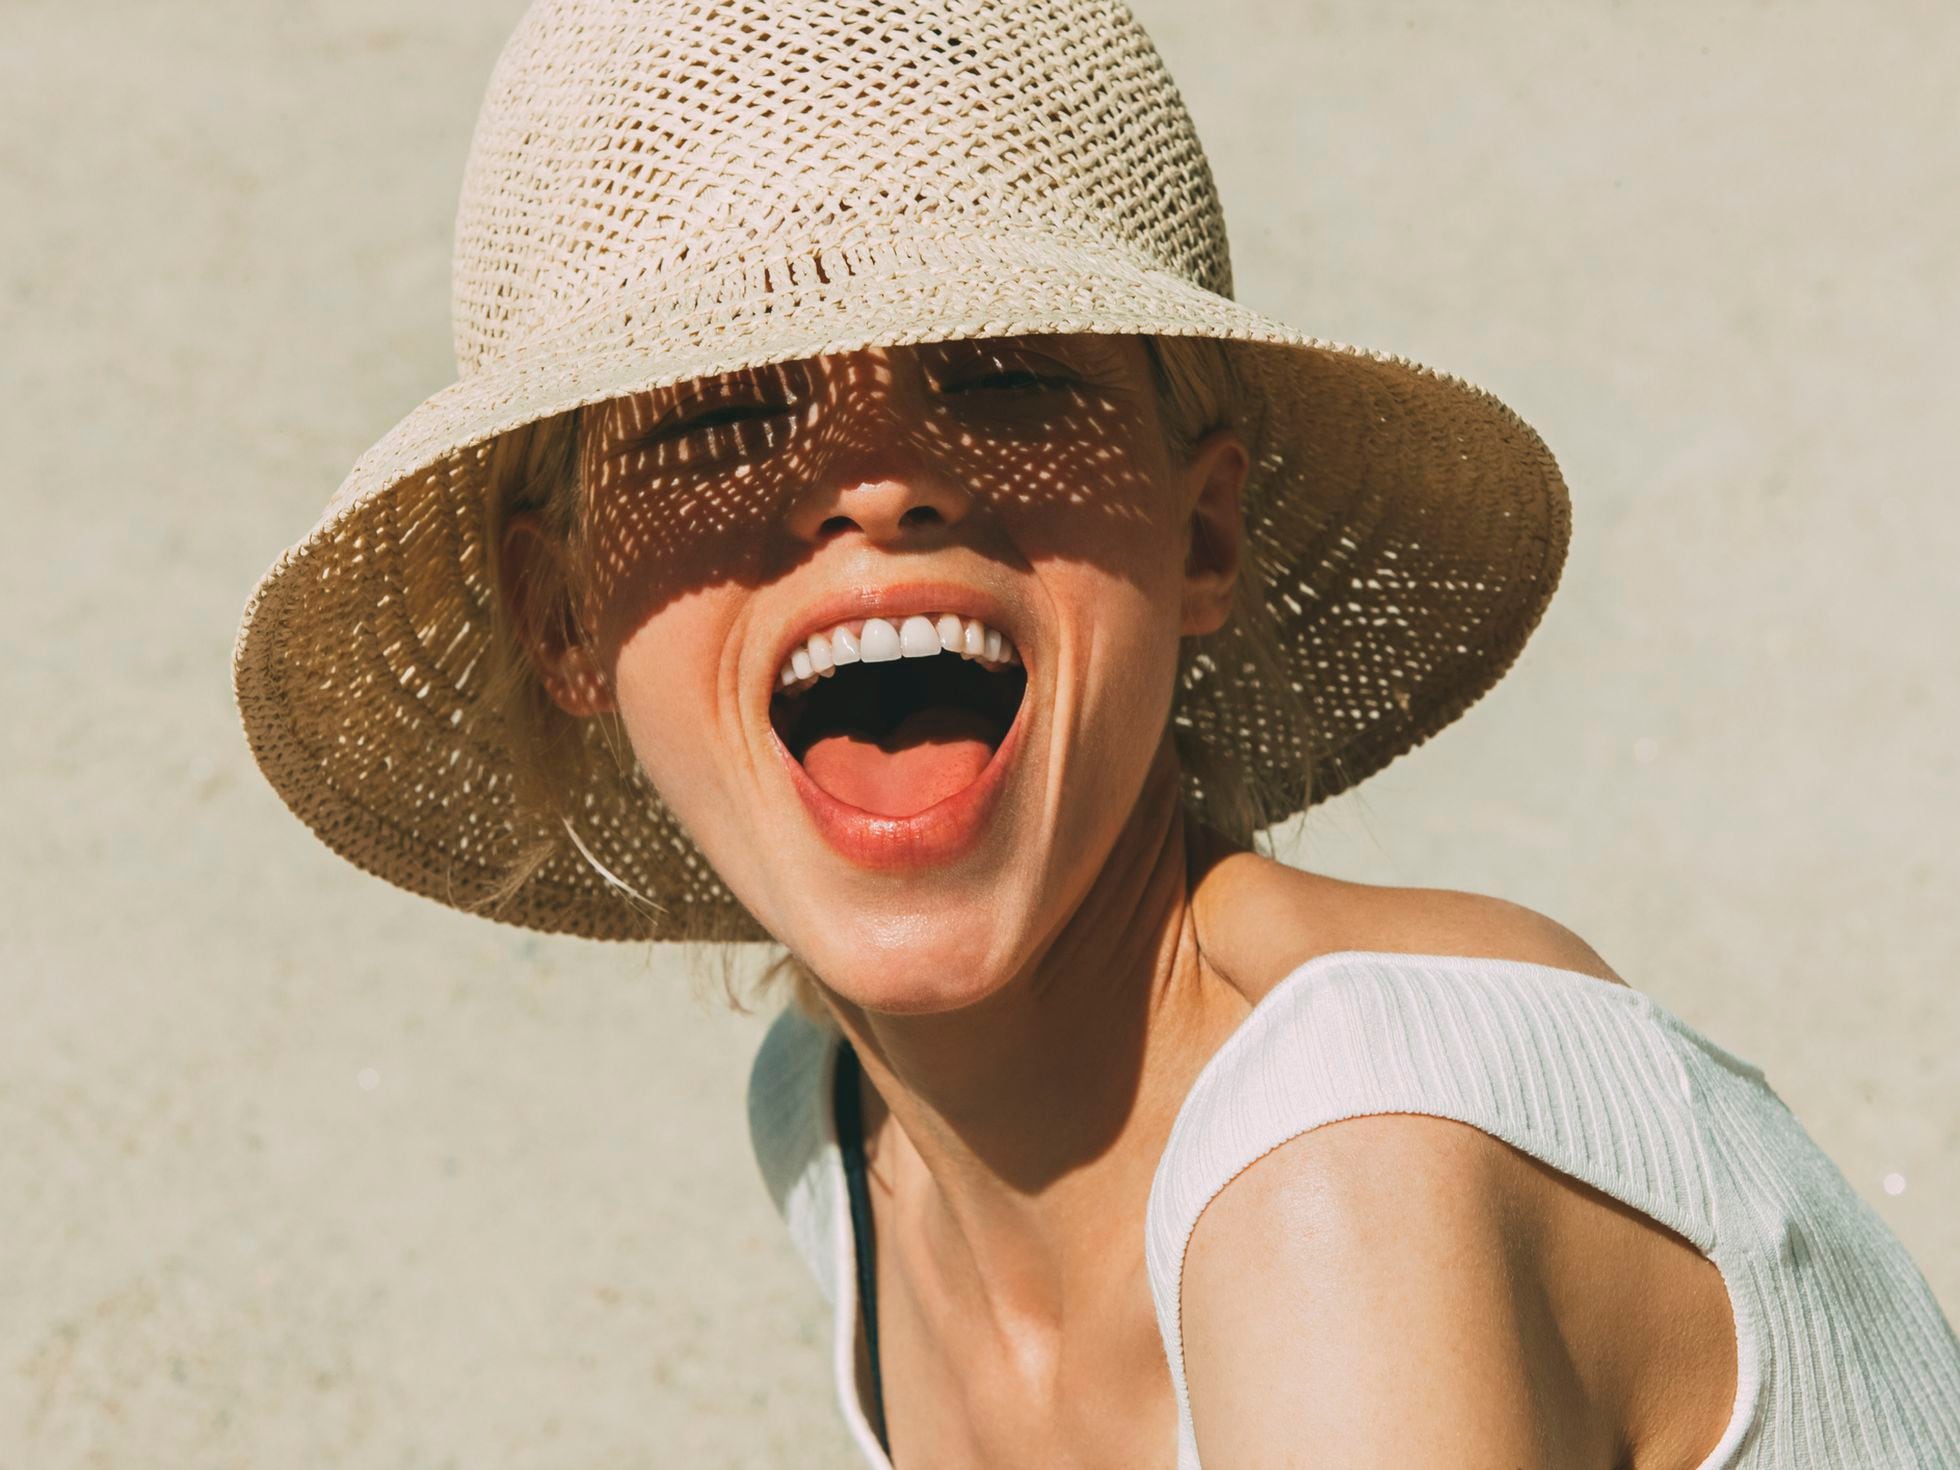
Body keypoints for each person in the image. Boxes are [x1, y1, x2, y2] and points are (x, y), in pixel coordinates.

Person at [232, 1, 1960, 1465]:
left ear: (1201, 538)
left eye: (999, 372)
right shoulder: (843, 1136)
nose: (878, 479)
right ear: (562, 622)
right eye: (728, 410)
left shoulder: (1356, 1158)